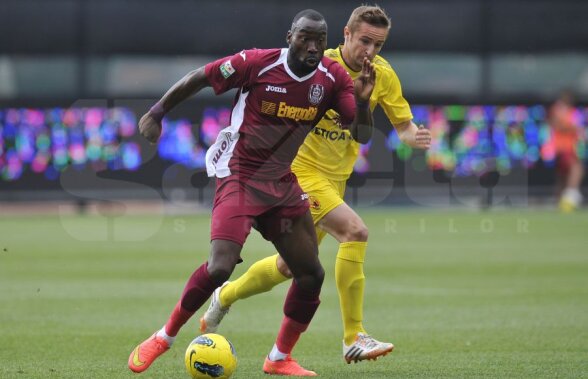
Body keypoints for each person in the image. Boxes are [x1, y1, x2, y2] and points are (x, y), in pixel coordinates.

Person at [127, 9, 376, 377]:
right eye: (304, 37)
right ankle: (164, 336)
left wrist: (365, 102)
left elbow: (362, 135)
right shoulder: (256, 63)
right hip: (240, 176)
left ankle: (278, 359)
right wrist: (156, 112)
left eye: (319, 41)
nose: (311, 46)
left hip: (282, 184)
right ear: (289, 35)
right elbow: (201, 77)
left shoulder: (333, 77)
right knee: (220, 267)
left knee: (310, 274)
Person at [200, 4, 432, 366]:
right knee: (355, 232)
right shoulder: (317, 65)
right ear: (347, 35)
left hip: (336, 179)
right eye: (365, 41)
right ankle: (354, 336)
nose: (370, 51)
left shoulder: (383, 75)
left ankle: (226, 296)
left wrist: (413, 136)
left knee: (287, 267)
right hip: (300, 172)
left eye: (379, 45)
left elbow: (401, 124)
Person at [549, 90, 585, 212]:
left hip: (569, 147)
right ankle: (570, 194)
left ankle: (563, 202)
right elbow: (557, 125)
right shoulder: (558, 109)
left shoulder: (573, 112)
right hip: (561, 148)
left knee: (564, 175)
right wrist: (575, 128)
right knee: (576, 168)